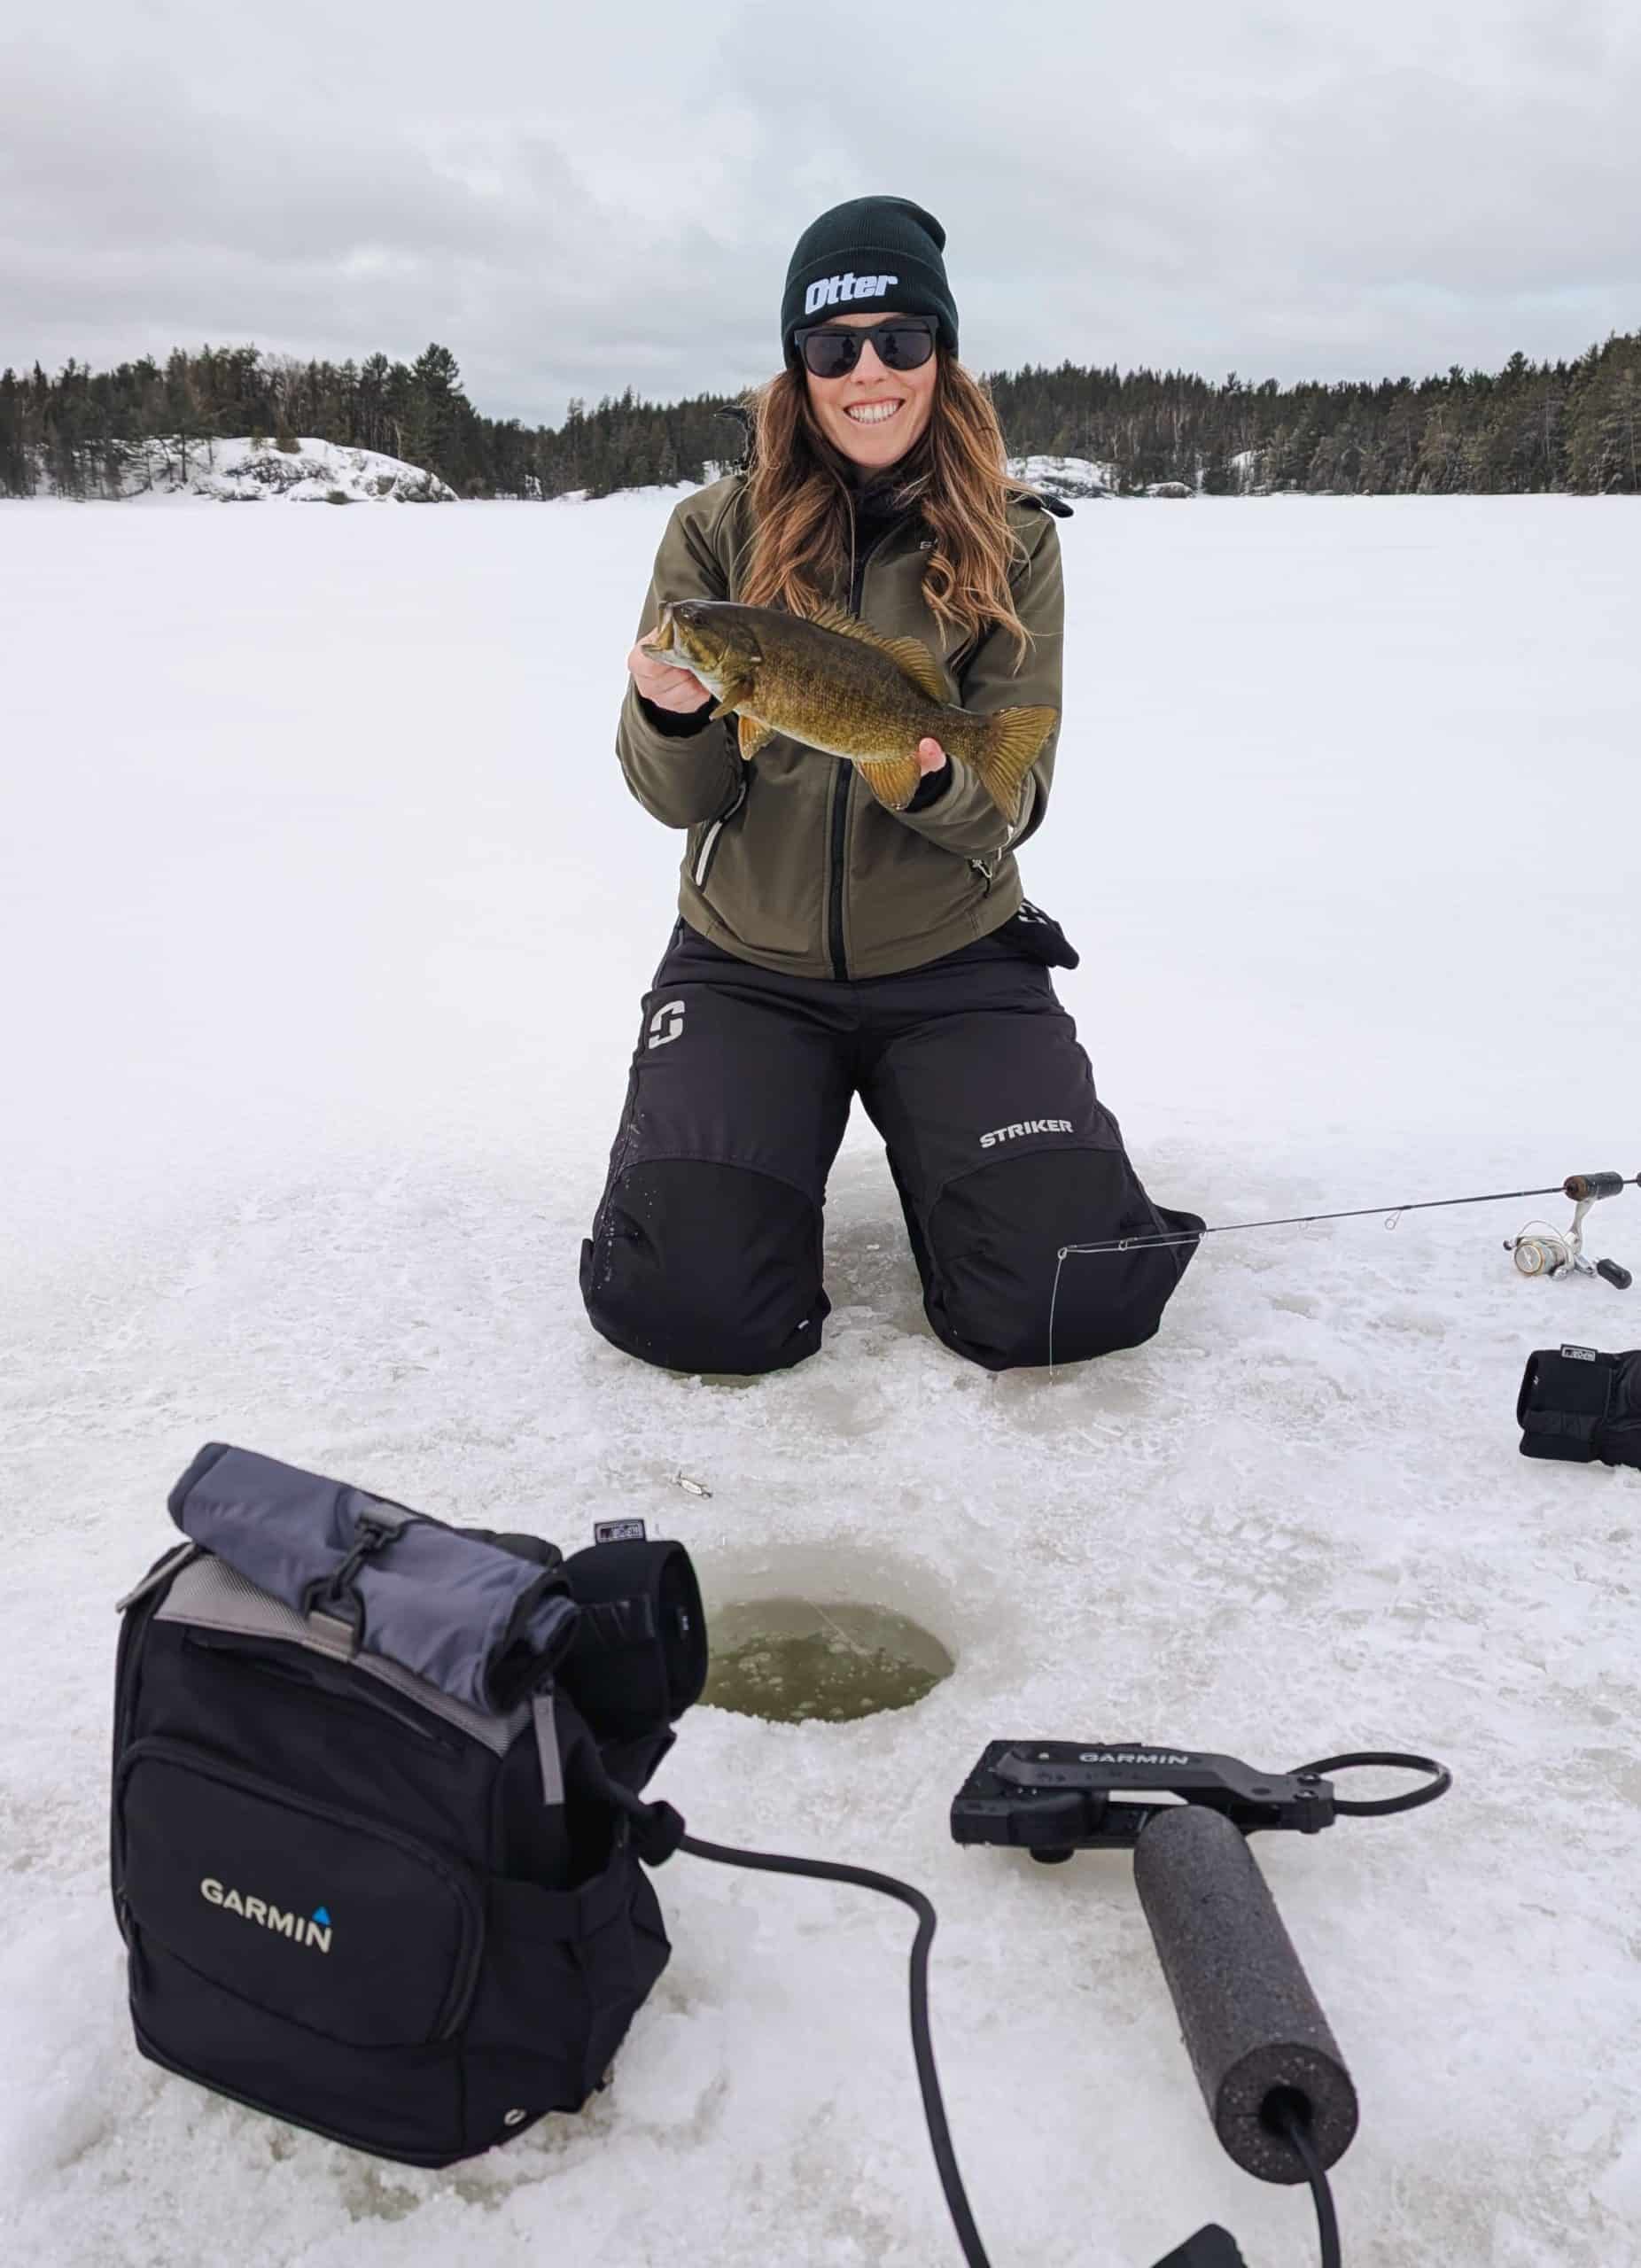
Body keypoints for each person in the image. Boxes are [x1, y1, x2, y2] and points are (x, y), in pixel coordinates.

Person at [580, 195, 1200, 1375]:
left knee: (1068, 1296)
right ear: (798, 367)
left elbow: (1010, 806)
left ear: (941, 357)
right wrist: (669, 718)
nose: (870, 370)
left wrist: (923, 781)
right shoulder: (711, 535)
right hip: (746, 966)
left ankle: (990, 1184)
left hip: (955, 958)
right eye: (833, 345)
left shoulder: (1015, 541)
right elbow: (679, 800)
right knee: (687, 1307)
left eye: (901, 340)